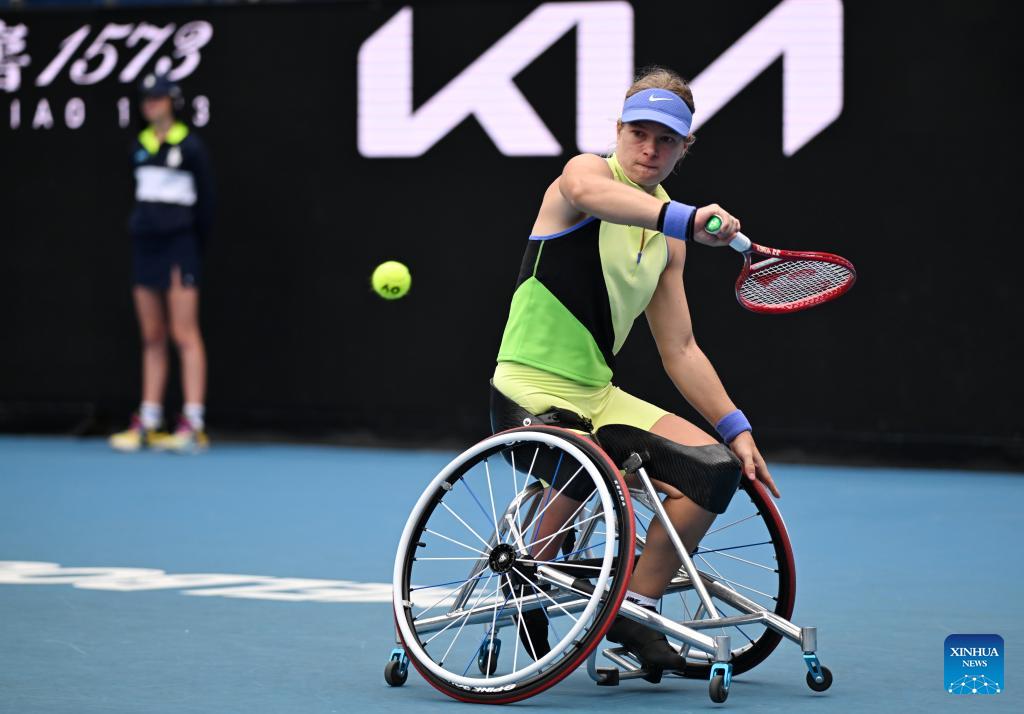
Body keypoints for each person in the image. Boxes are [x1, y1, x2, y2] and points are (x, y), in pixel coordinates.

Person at [491, 67, 781, 672]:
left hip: (599, 397)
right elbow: (594, 196)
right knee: (590, 460)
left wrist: (736, 428)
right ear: (618, 130)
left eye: (666, 139)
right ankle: (529, 569)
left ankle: (636, 608)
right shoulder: (584, 176)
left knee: (714, 471)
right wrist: (689, 219)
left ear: (684, 147)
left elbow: (681, 349)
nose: (650, 149)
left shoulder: (669, 238)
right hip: (525, 388)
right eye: (638, 133)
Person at [108, 73, 214, 453]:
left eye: (157, 97)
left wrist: (191, 246)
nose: (150, 104)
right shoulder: (139, 145)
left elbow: (207, 205)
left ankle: (193, 423)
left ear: (172, 102)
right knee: (152, 335)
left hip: (179, 247)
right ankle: (150, 420)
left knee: (184, 334)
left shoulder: (191, 146)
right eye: (146, 99)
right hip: (145, 246)